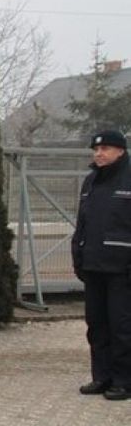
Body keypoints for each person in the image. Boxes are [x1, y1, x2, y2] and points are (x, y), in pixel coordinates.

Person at [72, 129, 131, 401]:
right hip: (94, 266)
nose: (99, 153)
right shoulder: (91, 182)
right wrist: (78, 256)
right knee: (97, 324)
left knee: (121, 326)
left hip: (122, 269)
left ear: (120, 151)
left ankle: (123, 380)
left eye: (105, 149)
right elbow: (82, 224)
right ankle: (102, 376)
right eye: (96, 150)